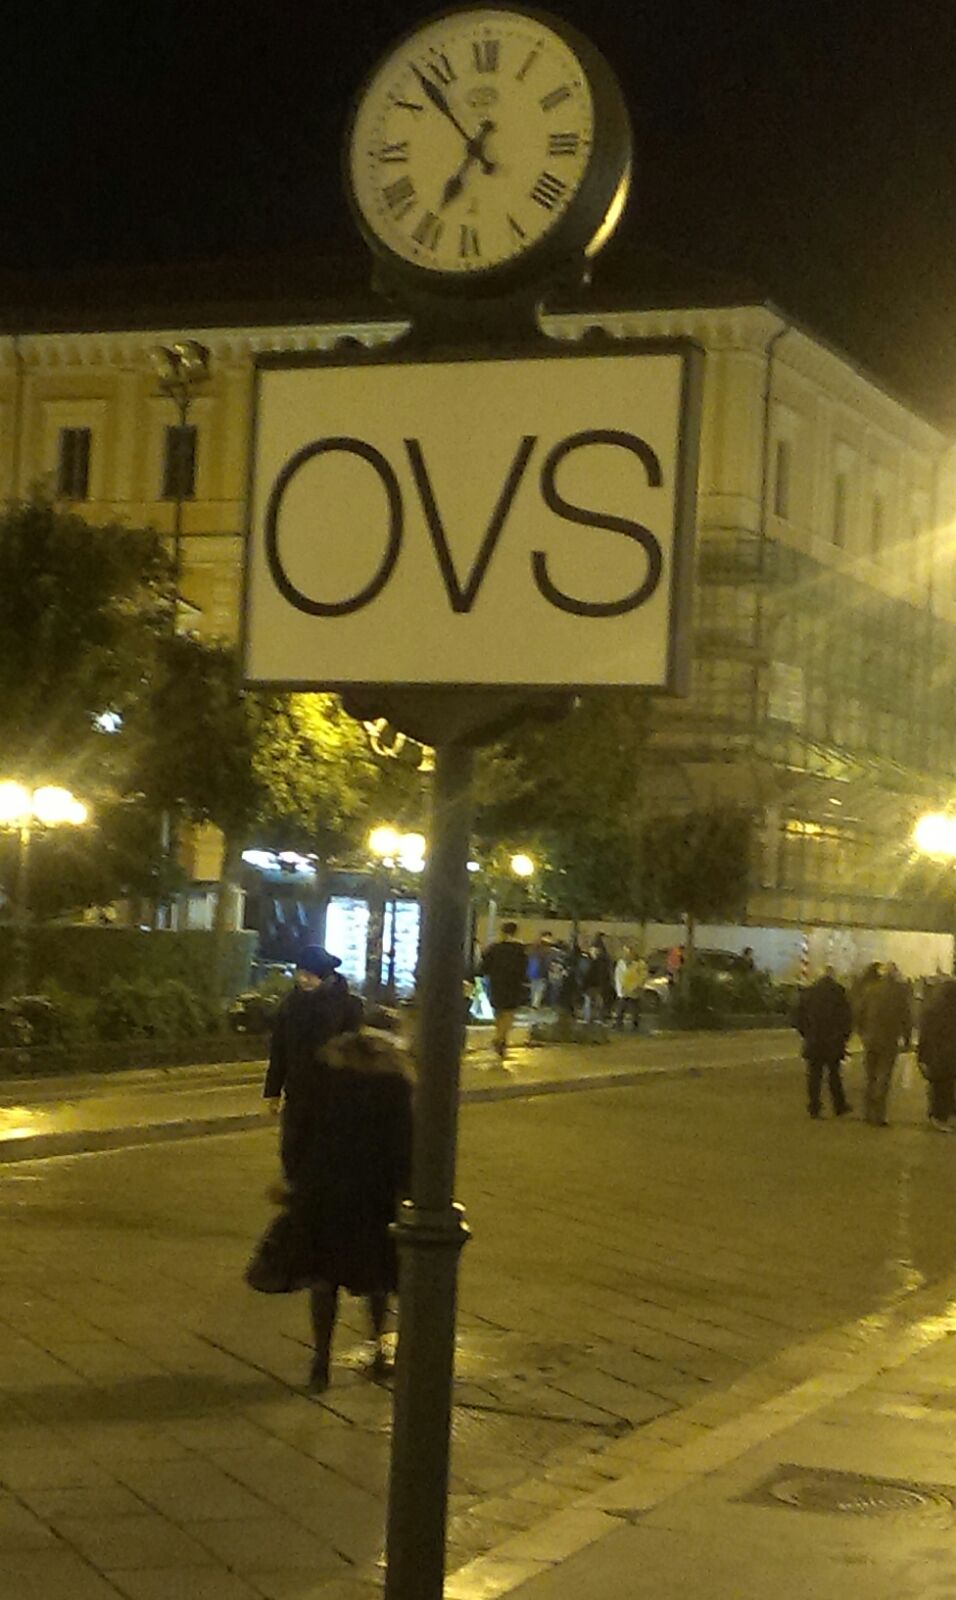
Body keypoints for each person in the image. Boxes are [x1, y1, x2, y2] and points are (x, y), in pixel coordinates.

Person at [256, 946, 412, 1392]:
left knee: (324, 1279)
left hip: (326, 1191)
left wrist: (295, 1181)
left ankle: (321, 1360)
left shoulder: (321, 1080)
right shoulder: (391, 1084)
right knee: (377, 1279)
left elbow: (301, 1135)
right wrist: (406, 1190)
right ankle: (379, 1349)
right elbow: (404, 1144)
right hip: (373, 1195)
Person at [856, 960, 912, 1127]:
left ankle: (867, 1112)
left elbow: (859, 1013)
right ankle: (878, 1115)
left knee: (870, 1076)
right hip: (888, 1039)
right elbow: (906, 1017)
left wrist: (862, 1033)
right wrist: (907, 1039)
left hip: (870, 1038)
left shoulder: (870, 989)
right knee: (883, 1076)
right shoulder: (899, 992)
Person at [795, 966, 852, 1119]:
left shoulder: (809, 993)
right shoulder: (839, 993)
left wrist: (806, 1033)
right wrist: (844, 1037)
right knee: (834, 1075)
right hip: (833, 1041)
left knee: (814, 1076)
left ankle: (814, 1106)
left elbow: (798, 1017)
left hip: (814, 1040)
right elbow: (846, 1018)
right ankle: (839, 1105)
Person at [479, 921, 527, 1062]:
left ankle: (499, 1037)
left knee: (499, 1012)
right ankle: (500, 1038)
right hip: (513, 984)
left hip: (496, 983)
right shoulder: (520, 950)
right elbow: (523, 968)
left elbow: (485, 966)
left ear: (502, 932)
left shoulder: (495, 948)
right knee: (509, 1012)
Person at [917, 978, 956, 1132]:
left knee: (940, 1085)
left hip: (937, 1054)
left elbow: (925, 1034)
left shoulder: (932, 1010)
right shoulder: (950, 1012)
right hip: (946, 1054)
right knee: (944, 1086)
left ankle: (938, 1115)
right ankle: (940, 1117)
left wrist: (922, 1055)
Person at [613, 945, 648, 1029]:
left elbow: (642, 976)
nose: (626, 954)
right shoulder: (622, 962)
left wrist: (637, 985)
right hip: (625, 988)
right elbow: (619, 975)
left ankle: (635, 1024)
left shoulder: (639, 964)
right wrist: (620, 987)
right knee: (621, 1007)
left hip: (634, 989)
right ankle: (618, 1023)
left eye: (628, 952)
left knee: (633, 1007)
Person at [583, 933, 613, 1022]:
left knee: (593, 1002)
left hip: (596, 985)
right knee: (596, 1002)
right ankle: (596, 1017)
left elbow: (591, 974)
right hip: (597, 985)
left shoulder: (596, 962)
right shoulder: (603, 960)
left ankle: (591, 1018)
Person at [527, 930, 555, 1010]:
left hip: (533, 972)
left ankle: (534, 1004)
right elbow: (548, 962)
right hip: (541, 972)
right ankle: (535, 1005)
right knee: (539, 989)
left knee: (534, 987)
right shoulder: (547, 950)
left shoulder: (533, 948)